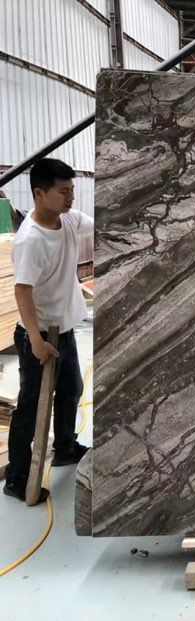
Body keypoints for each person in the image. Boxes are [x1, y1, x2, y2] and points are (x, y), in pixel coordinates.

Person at [3, 158, 92, 504]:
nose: (71, 198)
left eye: (72, 190)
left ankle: (66, 447)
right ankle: (17, 478)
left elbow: (100, 225)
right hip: (38, 337)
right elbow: (22, 291)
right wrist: (36, 341)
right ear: (39, 194)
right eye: (63, 192)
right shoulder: (31, 240)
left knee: (71, 390)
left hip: (64, 329)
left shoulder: (68, 219)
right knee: (30, 408)